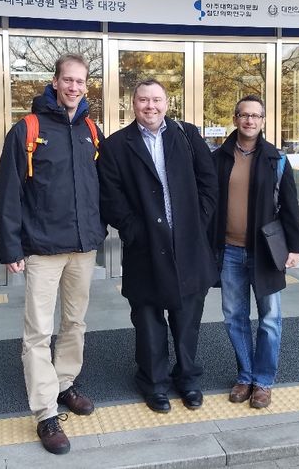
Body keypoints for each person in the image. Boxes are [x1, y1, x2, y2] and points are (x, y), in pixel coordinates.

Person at [0, 53, 106, 455]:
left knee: (75, 322)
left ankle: (65, 383)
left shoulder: (92, 130)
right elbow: (9, 192)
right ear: (55, 82)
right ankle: (45, 412)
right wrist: (11, 246)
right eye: (68, 80)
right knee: (39, 332)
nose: (74, 87)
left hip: (82, 247)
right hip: (42, 248)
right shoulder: (28, 129)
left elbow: (102, 187)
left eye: (81, 81)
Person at [97, 79, 218, 413]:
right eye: (143, 100)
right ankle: (154, 382)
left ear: (167, 103)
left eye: (156, 100)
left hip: (188, 246)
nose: (150, 106)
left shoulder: (187, 135)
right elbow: (110, 197)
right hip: (145, 248)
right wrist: (134, 230)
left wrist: (197, 221)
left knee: (187, 319)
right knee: (148, 321)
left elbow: (209, 182)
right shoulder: (117, 145)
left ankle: (188, 378)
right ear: (132, 104)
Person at [210, 95, 299, 409]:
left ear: (263, 121)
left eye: (256, 116)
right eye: (244, 115)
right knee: (233, 317)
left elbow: (290, 206)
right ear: (235, 119)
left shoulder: (276, 159)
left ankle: (263, 382)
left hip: (265, 252)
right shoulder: (219, 158)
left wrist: (296, 247)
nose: (249, 121)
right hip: (229, 251)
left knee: (270, 318)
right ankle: (245, 376)